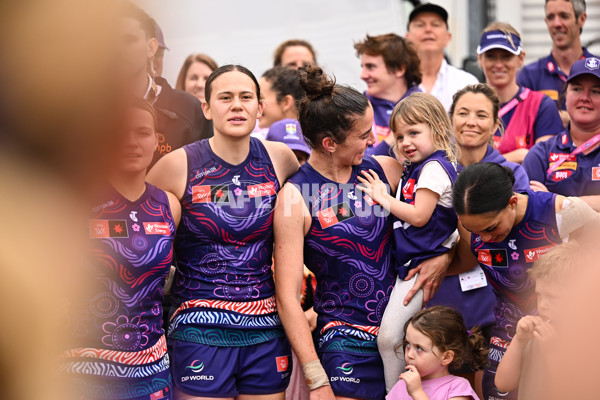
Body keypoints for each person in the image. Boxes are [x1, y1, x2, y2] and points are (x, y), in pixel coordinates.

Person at [275, 65, 451, 400]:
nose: (373, 141)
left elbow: (441, 213)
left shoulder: (381, 168)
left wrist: (444, 256)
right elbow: (287, 299)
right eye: (363, 135)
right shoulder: (294, 197)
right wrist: (316, 378)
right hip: (345, 341)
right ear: (329, 143)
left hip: (408, 337)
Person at [147, 65, 299, 399]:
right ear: (206, 107)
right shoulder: (177, 165)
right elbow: (138, 222)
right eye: (225, 98)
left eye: (246, 97)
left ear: (260, 108)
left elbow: (306, 227)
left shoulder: (281, 159)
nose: (236, 106)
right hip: (198, 329)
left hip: (265, 330)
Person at [64, 100, 181, 400]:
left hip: (151, 370)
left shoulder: (169, 205)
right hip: (83, 369)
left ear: (157, 141)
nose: (130, 142)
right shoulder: (77, 199)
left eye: (142, 132)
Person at [449, 162, 596, 400]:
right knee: (498, 391)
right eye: (475, 231)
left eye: (491, 228)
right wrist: (434, 264)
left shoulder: (563, 213)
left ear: (512, 203)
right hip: (511, 329)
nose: (484, 238)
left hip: (566, 331)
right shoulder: (471, 225)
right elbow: (464, 261)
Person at [427, 83, 531, 398]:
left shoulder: (511, 173)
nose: (471, 121)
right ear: (449, 119)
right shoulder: (432, 169)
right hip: (438, 296)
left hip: (491, 299)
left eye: (482, 114)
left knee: (484, 385)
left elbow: (508, 234)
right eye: (463, 113)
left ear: (496, 125)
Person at [357, 92, 459, 393]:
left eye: (414, 132)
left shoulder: (434, 168)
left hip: (421, 268)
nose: (405, 142)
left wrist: (382, 197)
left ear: (438, 129)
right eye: (399, 136)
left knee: (390, 339)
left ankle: (397, 395)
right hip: (408, 265)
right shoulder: (416, 167)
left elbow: (418, 215)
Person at [120, 2, 212, 166]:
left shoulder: (189, 110)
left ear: (151, 48)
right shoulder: (85, 111)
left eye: (128, 40)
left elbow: (209, 179)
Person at [494, 240, 585, 397]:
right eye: (539, 295)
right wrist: (519, 340)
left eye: (552, 297)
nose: (542, 305)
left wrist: (552, 353)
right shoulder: (535, 332)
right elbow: (503, 383)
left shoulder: (587, 341)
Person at [477, 23, 563, 164]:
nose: (499, 64)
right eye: (491, 56)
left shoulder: (541, 105)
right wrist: (519, 155)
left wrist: (482, 164)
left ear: (521, 58)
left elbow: (543, 161)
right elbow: (461, 162)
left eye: (506, 56)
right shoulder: (468, 104)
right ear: (480, 59)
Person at [522, 57, 600, 211]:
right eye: (577, 89)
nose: (585, 98)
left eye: (596, 91)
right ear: (565, 97)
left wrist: (554, 201)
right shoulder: (541, 154)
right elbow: (526, 208)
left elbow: (542, 204)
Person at [386, 306, 486, 400]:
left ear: (446, 357)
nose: (409, 354)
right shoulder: (404, 384)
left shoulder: (457, 388)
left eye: (419, 348)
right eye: (408, 344)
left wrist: (417, 393)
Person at [518, 0, 595, 116]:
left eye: (564, 16)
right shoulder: (529, 76)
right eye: (550, 17)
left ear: (582, 19)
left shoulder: (597, 70)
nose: (557, 24)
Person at [354, 33, 422, 154]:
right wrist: (392, 139)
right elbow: (358, 161)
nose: (362, 75)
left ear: (399, 69)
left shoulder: (425, 107)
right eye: (363, 67)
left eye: (370, 67)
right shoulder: (357, 110)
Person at [405, 3, 479, 111]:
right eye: (420, 25)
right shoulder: (394, 83)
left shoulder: (467, 83)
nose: (428, 30)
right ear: (407, 38)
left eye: (435, 25)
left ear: (448, 37)